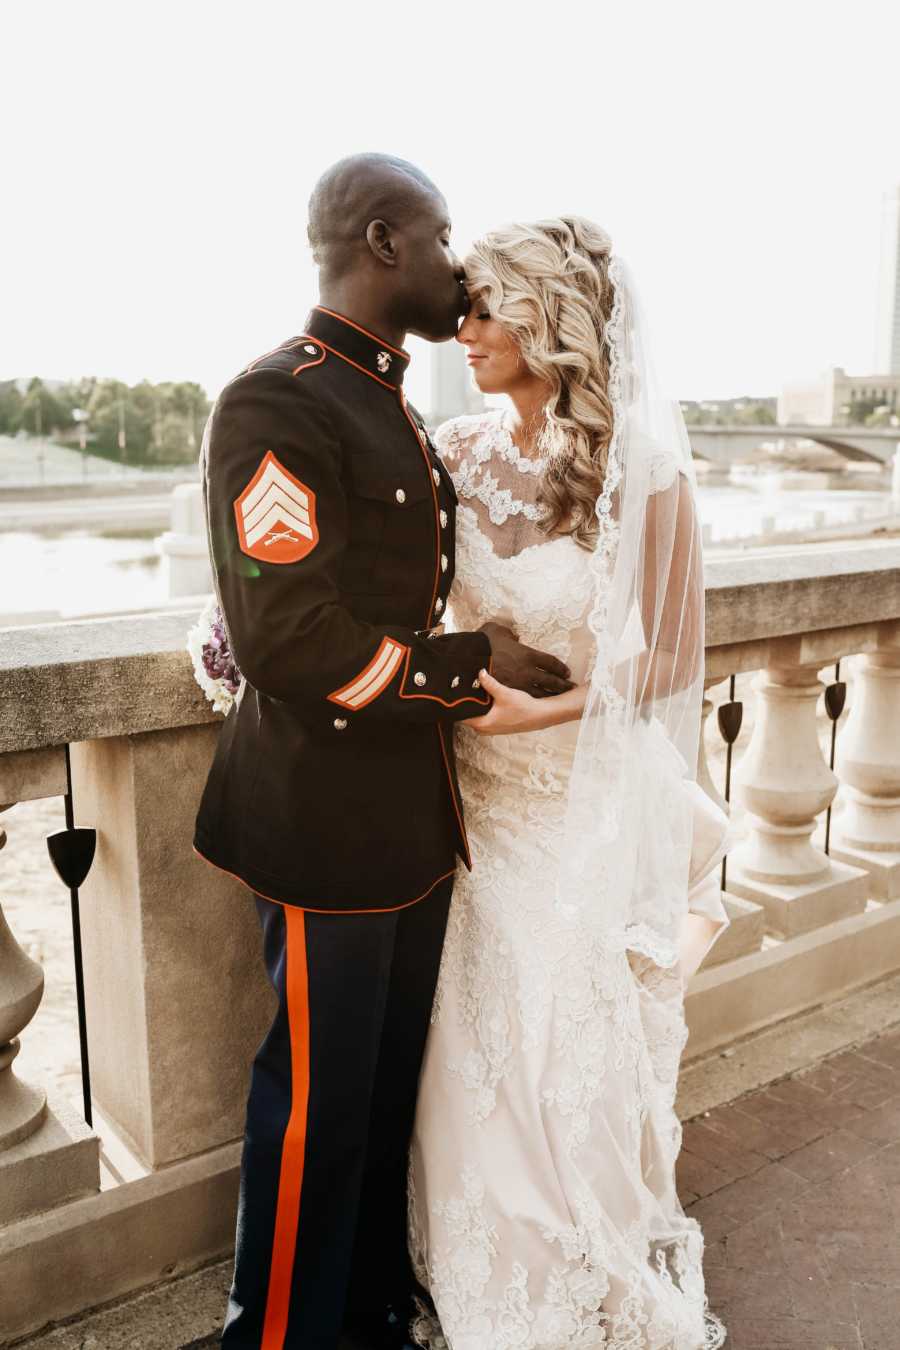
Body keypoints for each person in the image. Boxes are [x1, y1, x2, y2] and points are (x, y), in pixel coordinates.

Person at [193, 157, 572, 1350]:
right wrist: (474, 664)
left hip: (408, 824)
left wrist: (477, 648)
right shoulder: (281, 402)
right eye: (442, 231)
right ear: (383, 239)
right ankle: (285, 1335)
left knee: (378, 1095)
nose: (458, 260)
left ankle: (363, 1314)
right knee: (315, 1106)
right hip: (322, 826)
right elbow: (289, 637)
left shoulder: (390, 401)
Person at [408, 218, 730, 1349]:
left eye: (491, 308)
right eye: (468, 307)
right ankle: (484, 1271)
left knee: (564, 1054)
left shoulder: (643, 469)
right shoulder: (447, 450)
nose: (469, 329)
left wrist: (541, 709)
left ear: (556, 324)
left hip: (572, 803)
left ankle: (581, 1272)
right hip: (469, 804)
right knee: (472, 1047)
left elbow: (677, 657)